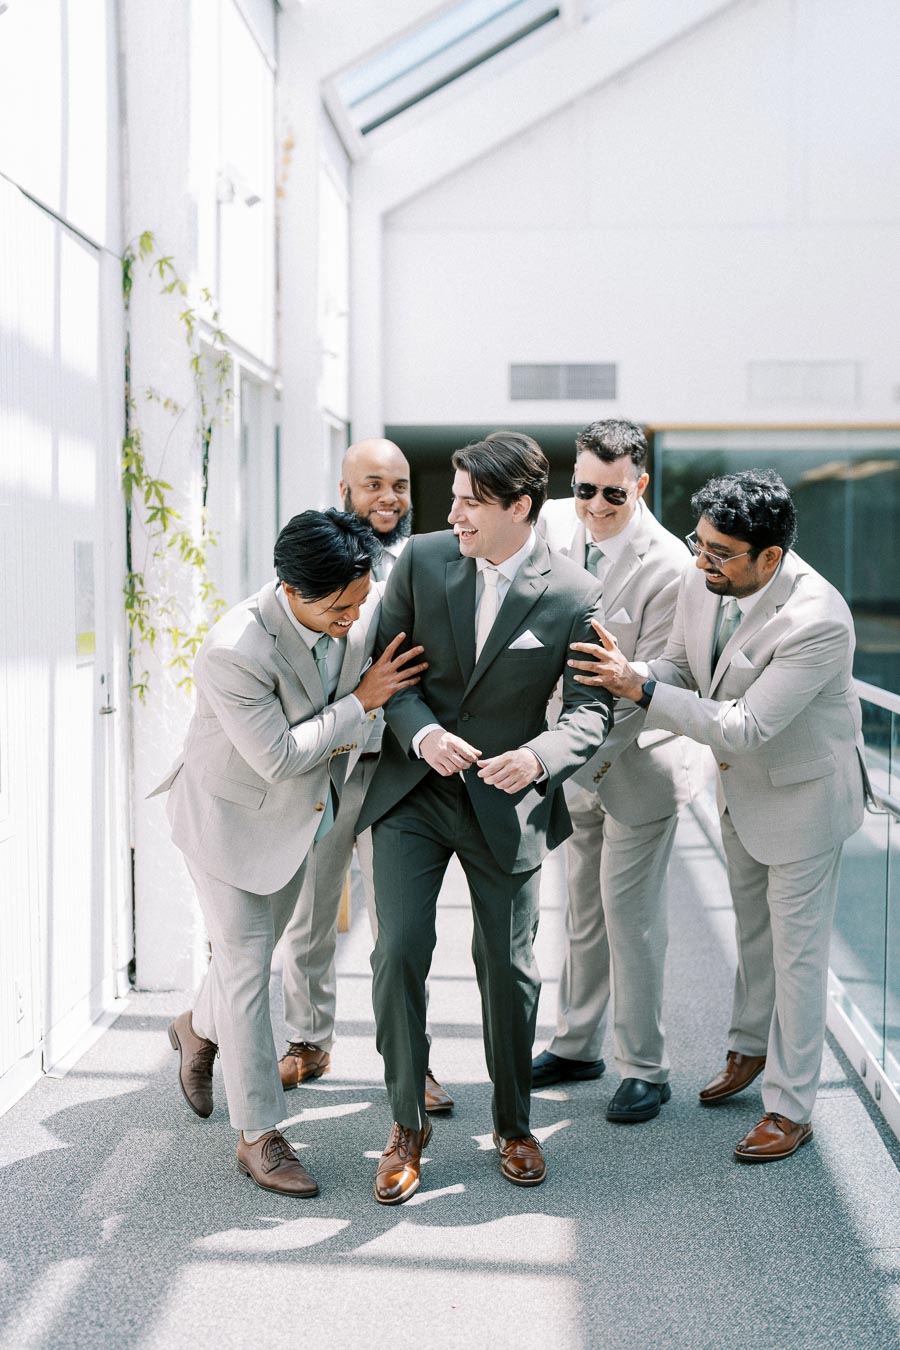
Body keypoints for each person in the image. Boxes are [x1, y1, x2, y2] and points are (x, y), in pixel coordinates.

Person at [570, 469, 868, 1162]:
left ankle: (791, 1109)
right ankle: (748, 1047)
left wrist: (639, 689)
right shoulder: (702, 580)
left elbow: (743, 726)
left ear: (771, 557)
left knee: (797, 956)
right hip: (740, 792)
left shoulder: (818, 619)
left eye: (718, 553)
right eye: (696, 544)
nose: (699, 561)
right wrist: (635, 670)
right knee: (753, 932)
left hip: (803, 798)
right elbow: (679, 665)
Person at [357, 431, 614, 1204]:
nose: (453, 514)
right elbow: (387, 677)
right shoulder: (422, 561)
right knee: (398, 949)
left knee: (508, 969)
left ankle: (513, 1124)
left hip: (509, 797)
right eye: (456, 500)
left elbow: (593, 709)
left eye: (470, 502)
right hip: (415, 792)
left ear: (520, 508)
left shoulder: (574, 593)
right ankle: (406, 1123)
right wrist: (424, 732)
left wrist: (538, 758)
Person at [155, 510, 425, 1196]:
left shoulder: (351, 608)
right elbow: (277, 757)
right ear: (291, 589)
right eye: (339, 608)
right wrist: (361, 704)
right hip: (227, 818)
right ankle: (260, 1137)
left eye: (359, 601)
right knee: (247, 969)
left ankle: (193, 1027)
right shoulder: (233, 649)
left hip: (295, 819)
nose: (353, 617)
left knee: (248, 957)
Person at [531, 419, 702, 1123]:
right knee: (580, 912)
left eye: (613, 493)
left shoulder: (670, 563)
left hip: (638, 767)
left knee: (630, 919)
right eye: (584, 490)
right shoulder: (551, 523)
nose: (596, 507)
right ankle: (576, 1044)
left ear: (641, 483)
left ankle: (646, 1068)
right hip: (572, 763)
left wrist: (566, 753)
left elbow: (662, 675)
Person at [276, 438, 453, 1113]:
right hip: (324, 761)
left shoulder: (433, 560)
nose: (390, 498)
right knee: (312, 915)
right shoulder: (315, 557)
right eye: (374, 484)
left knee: (399, 930)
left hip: (399, 768)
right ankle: (308, 1039)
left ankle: (414, 1062)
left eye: (401, 486)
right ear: (345, 490)